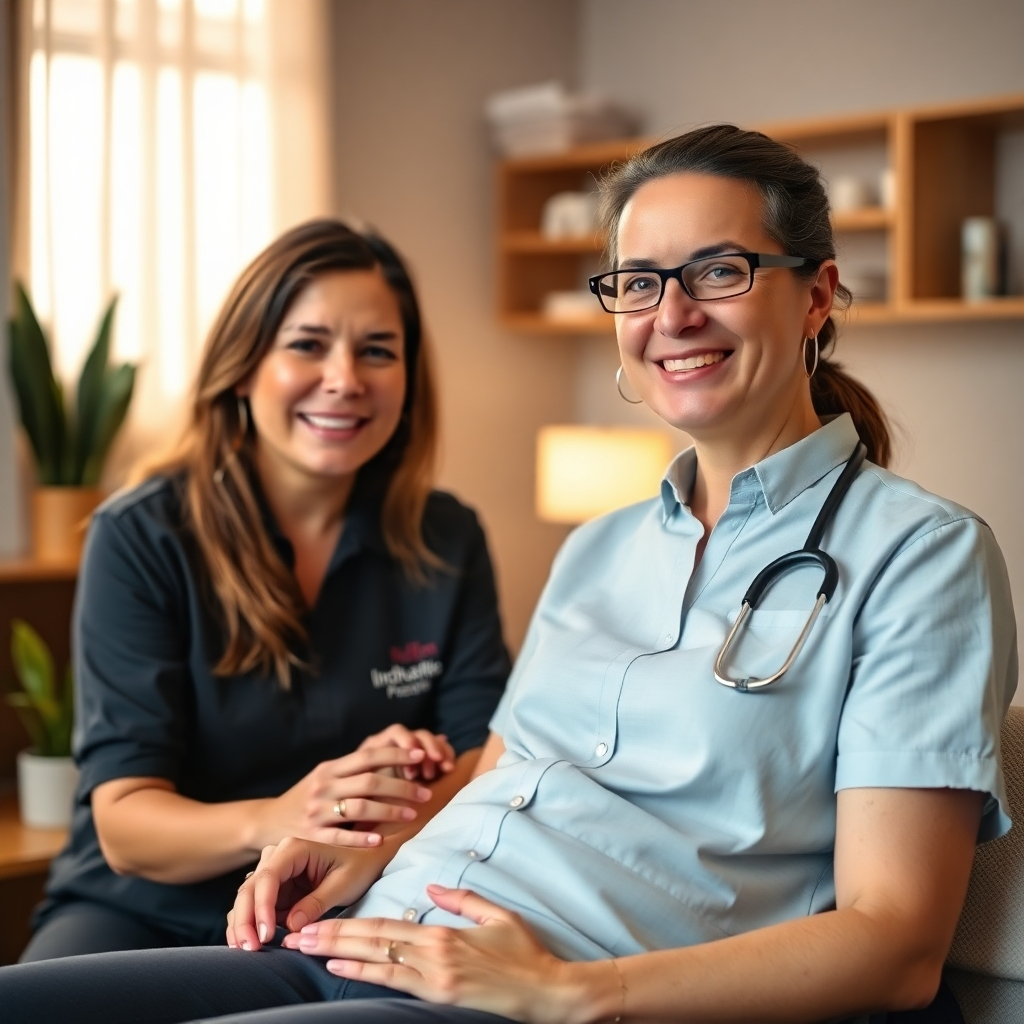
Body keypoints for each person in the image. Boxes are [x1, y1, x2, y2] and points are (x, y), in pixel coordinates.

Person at [2, 125, 1016, 1024]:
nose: (672, 313)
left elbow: (895, 944)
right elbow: (503, 766)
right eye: (640, 281)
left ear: (818, 296)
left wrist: (576, 993)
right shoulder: (599, 547)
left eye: (720, 271)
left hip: (528, 989)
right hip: (367, 933)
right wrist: (360, 854)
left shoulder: (919, 557)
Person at [18, 220, 511, 962]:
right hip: (144, 912)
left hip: (355, 897)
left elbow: (486, 757)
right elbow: (124, 823)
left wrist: (391, 801)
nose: (345, 378)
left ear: (408, 384)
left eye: (377, 350)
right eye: (308, 345)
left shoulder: (447, 537)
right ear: (243, 367)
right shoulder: (142, 536)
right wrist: (286, 816)